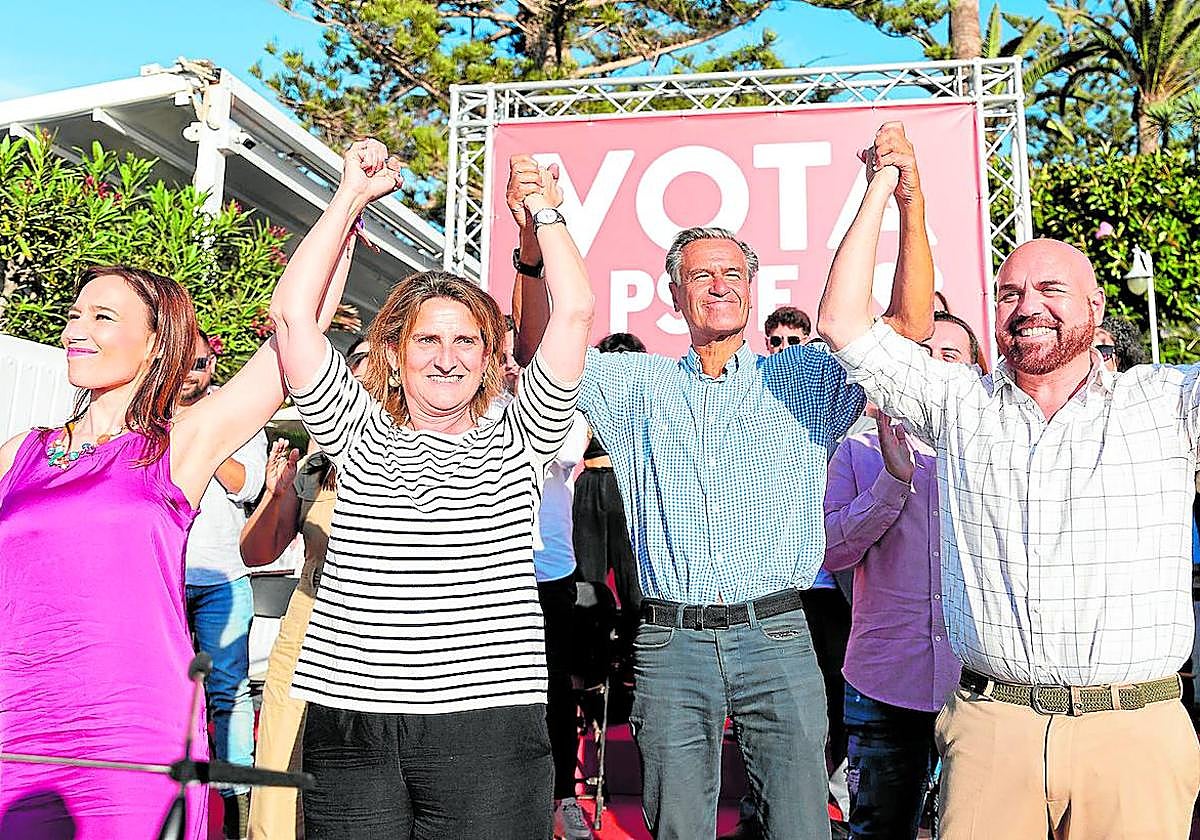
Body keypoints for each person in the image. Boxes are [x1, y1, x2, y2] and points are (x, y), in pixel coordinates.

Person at [508, 123, 934, 840]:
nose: (718, 285)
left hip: (778, 634)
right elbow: (536, 349)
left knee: (801, 827)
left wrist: (907, 204)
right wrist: (530, 244)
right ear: (673, 295)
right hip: (670, 645)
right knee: (678, 832)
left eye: (733, 273)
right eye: (701, 275)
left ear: (752, 290)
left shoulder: (803, 378)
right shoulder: (634, 385)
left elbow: (908, 323)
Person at [819, 132, 1200, 839]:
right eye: (1010, 293)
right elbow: (842, 321)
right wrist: (885, 184)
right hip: (992, 730)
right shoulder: (959, 405)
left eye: (1053, 289)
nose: (1030, 305)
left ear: (1096, 305)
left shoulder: (1167, 404)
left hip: (1134, 732)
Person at [271, 142, 594, 839]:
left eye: (466, 342)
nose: (446, 358)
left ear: (489, 360)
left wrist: (544, 209)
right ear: (395, 352)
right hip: (350, 728)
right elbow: (294, 319)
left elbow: (573, 314)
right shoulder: (352, 431)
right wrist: (348, 196)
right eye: (427, 341)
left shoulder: (523, 435)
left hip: (488, 730)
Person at [0, 250, 321, 838]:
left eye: (102, 317)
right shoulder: (20, 452)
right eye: (74, 315)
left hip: (130, 725)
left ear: (155, 344)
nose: (76, 330)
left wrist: (348, 203)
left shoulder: (181, 446)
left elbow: (294, 336)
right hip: (16, 719)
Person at [823, 312, 979, 840]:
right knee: (878, 830)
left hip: (981, 685)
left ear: (978, 372)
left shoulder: (996, 456)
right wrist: (892, 483)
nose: (932, 368)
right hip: (883, 681)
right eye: (923, 354)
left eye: (950, 357)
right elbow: (832, 551)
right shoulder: (856, 449)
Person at [241, 335, 371, 840]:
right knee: (279, 771)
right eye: (351, 364)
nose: (359, 376)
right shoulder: (317, 461)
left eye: (372, 365)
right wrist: (277, 494)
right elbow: (257, 552)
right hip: (308, 625)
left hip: (387, 636)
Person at [486, 321, 594, 839]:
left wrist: (520, 394)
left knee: (554, 689)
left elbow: (566, 449)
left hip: (549, 568)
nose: (509, 362)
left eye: (516, 353)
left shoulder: (559, 406)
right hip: (484, 570)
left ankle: (561, 798)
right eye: (500, 352)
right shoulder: (470, 403)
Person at [178, 329, 268, 840]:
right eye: (187, 363)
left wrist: (203, 439)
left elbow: (249, 485)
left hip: (222, 579)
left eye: (204, 364)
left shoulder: (234, 416)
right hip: (161, 574)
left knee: (228, 693)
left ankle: (236, 810)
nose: (196, 372)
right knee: (167, 691)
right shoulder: (149, 410)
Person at [572, 332, 646, 635]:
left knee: (634, 579)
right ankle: (590, 664)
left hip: (628, 486)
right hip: (590, 485)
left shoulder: (647, 397)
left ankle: (635, 653)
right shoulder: (589, 396)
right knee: (589, 579)